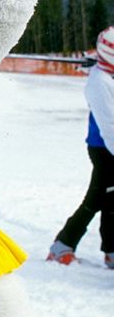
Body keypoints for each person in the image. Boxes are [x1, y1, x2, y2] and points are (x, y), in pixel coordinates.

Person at [49, 27, 114, 267]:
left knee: (111, 197)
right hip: (103, 147)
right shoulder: (99, 83)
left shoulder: (108, 75)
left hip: (110, 145)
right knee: (97, 197)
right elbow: (109, 126)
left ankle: (111, 250)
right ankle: (61, 246)